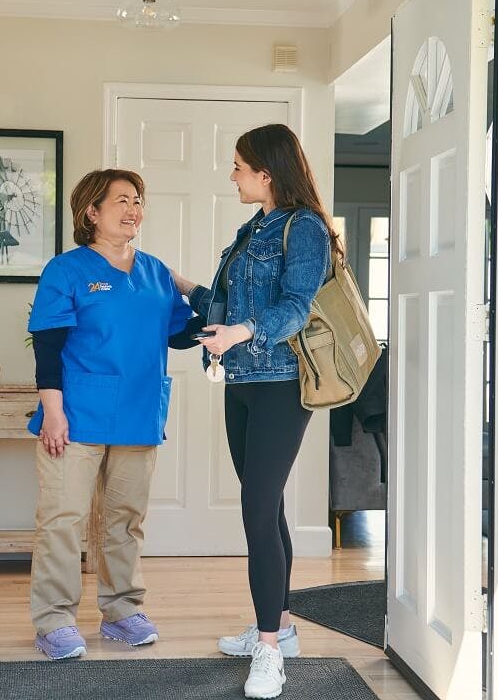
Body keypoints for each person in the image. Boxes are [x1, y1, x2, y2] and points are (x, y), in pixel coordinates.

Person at [171, 124, 338, 699]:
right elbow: (225, 304)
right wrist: (176, 281)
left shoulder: (306, 227)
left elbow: (295, 306)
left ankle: (269, 652)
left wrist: (243, 330)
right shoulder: (254, 228)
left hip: (281, 383)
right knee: (266, 509)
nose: (232, 174)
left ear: (266, 172)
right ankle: (281, 627)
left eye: (239, 166)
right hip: (240, 382)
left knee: (256, 508)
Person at [26, 168, 193, 660]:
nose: (133, 208)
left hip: (139, 413)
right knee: (62, 519)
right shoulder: (67, 269)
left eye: (138, 200)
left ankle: (122, 610)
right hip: (76, 415)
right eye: (121, 200)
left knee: (124, 520)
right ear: (91, 212)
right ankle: (54, 620)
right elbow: (48, 345)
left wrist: (230, 317)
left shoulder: (157, 272)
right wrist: (52, 411)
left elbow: (180, 333)